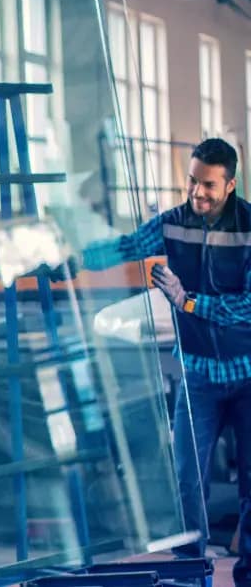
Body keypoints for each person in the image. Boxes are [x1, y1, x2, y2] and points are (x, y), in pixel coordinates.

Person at [75, 138, 250, 584]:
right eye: (192, 181)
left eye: (208, 185)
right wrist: (70, 259)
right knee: (188, 481)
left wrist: (188, 302)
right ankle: (194, 575)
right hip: (198, 375)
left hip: (247, 373)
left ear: (230, 185)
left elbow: (247, 306)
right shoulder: (174, 223)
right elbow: (126, 246)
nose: (197, 193)